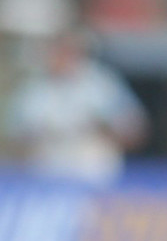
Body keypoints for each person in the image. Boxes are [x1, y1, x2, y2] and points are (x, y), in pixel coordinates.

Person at [5, 29, 147, 184]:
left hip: (95, 178)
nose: (61, 57)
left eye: (68, 51)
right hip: (45, 180)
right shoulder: (33, 90)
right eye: (57, 51)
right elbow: (12, 141)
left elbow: (136, 132)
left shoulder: (101, 85)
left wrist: (103, 127)